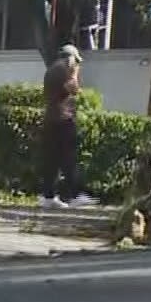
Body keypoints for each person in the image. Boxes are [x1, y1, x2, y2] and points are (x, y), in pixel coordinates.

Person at [40, 43, 98, 208]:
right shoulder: (63, 70)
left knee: (52, 160)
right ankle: (75, 195)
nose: (77, 64)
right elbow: (74, 89)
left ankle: (48, 196)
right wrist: (75, 72)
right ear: (71, 58)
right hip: (63, 120)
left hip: (51, 119)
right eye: (76, 61)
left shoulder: (52, 69)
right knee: (68, 158)